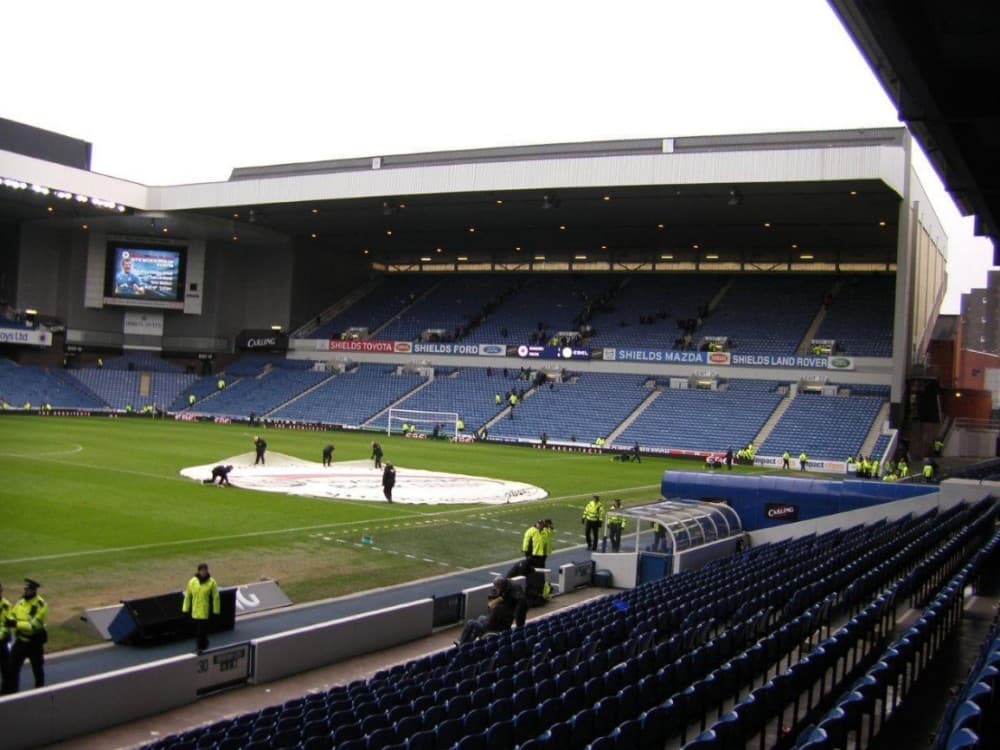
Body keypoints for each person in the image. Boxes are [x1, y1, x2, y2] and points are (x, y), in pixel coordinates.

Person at [3, 578, 48, 694]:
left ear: (33, 590)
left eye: (27, 589)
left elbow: (33, 626)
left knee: (37, 669)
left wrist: (15, 624)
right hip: (21, 641)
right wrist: (11, 620)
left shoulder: (40, 605)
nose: (25, 591)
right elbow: (13, 613)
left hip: (34, 643)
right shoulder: (21, 601)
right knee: (12, 668)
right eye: (25, 589)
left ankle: (40, 692)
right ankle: (11, 692)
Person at [454, 576, 523, 645]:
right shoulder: (509, 607)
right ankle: (468, 642)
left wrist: (485, 621)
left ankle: (462, 644)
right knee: (481, 617)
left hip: (492, 629)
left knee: (471, 622)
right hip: (502, 627)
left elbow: (490, 624)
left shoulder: (498, 609)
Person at [182, 563, 220, 652]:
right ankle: (204, 643)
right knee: (199, 630)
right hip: (195, 610)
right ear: (199, 571)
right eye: (202, 570)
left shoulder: (211, 582)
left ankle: (199, 647)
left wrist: (216, 610)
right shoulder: (192, 581)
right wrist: (185, 608)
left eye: (205, 570)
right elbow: (188, 596)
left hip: (205, 611)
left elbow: (216, 597)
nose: (204, 572)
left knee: (200, 630)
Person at [0, 582, 11, 695]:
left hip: (2, 642)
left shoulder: (5, 605)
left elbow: (6, 625)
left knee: (5, 667)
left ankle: (6, 691)